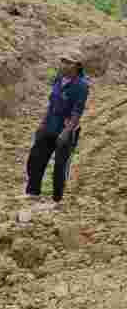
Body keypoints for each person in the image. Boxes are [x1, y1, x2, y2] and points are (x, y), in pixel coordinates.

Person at [24, 54, 90, 205]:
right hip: (49, 125)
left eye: (68, 62)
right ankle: (33, 193)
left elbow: (77, 112)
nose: (64, 64)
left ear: (77, 66)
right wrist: (42, 124)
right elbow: (52, 103)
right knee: (35, 158)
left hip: (65, 130)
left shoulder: (82, 86)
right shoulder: (58, 79)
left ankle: (57, 200)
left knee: (60, 166)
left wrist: (66, 133)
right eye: (63, 61)